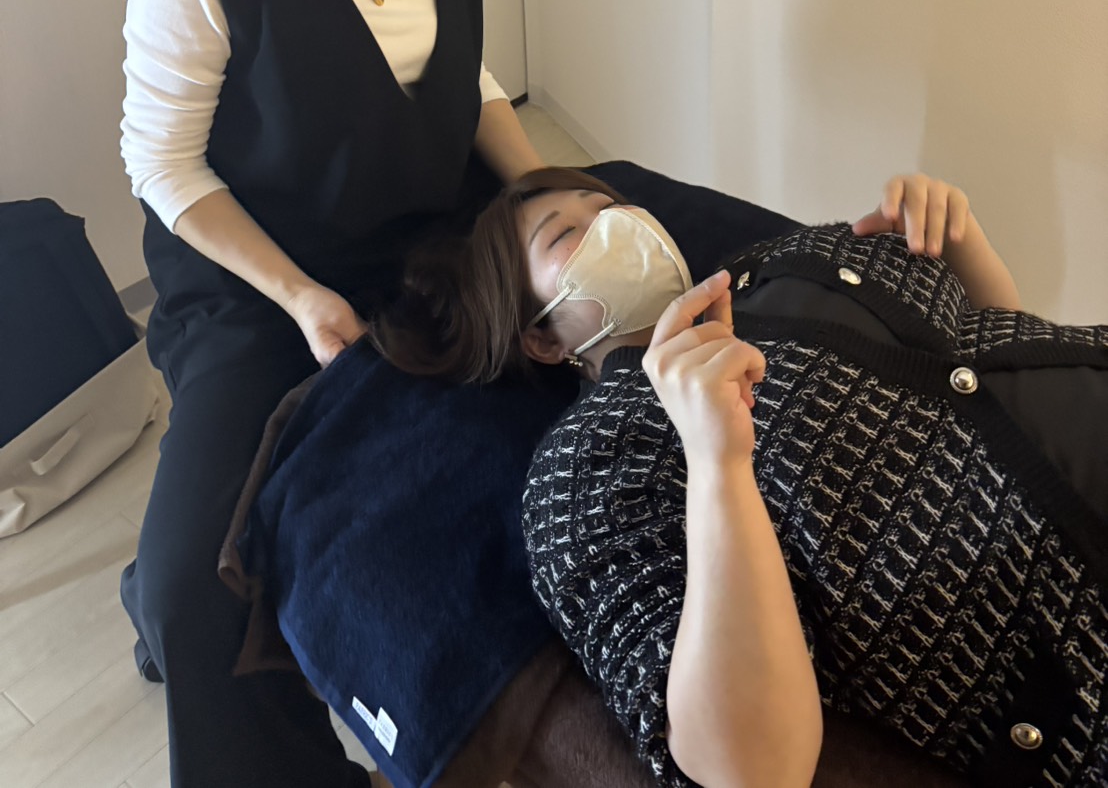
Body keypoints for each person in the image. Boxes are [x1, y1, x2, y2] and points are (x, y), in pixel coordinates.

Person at [119, 0, 544, 788]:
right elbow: (162, 164)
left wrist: (554, 189)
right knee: (192, 591)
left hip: (421, 241)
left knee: (521, 469)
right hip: (260, 279)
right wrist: (301, 296)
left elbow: (459, 78)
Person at [370, 168, 1108, 788]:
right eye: (567, 234)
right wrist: (716, 460)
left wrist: (961, 244)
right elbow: (749, 769)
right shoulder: (585, 467)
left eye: (612, 205)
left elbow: (999, 361)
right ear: (540, 336)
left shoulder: (786, 258)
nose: (616, 224)